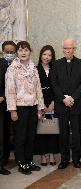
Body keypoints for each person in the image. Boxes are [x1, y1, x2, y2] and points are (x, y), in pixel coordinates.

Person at [5, 41, 44, 175]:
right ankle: (21, 162)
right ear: (17, 53)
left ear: (30, 52)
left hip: (33, 106)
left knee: (31, 136)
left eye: (26, 50)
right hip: (19, 107)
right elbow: (10, 90)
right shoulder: (12, 68)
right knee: (20, 137)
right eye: (21, 50)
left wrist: (40, 108)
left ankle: (29, 160)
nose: (23, 53)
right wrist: (12, 110)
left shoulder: (34, 68)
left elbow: (38, 89)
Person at [51, 38, 81, 169]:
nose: (67, 50)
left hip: (76, 104)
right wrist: (63, 99)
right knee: (63, 134)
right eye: (65, 48)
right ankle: (64, 159)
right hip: (62, 104)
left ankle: (76, 159)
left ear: (74, 49)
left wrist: (73, 98)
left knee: (77, 134)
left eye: (70, 48)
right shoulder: (56, 64)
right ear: (62, 49)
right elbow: (54, 84)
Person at [33, 45, 59, 166]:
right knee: (42, 129)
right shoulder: (34, 69)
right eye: (44, 54)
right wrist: (41, 105)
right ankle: (43, 155)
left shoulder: (56, 68)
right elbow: (33, 88)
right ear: (40, 55)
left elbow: (59, 87)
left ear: (52, 57)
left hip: (53, 103)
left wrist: (53, 103)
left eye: (49, 55)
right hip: (40, 103)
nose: (47, 57)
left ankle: (52, 154)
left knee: (52, 129)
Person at [0, 40, 16, 175]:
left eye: (12, 52)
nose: (9, 54)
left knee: (10, 132)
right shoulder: (1, 63)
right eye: (7, 52)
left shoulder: (18, 64)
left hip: (17, 106)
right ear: (3, 51)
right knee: (1, 134)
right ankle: (1, 162)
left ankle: (7, 157)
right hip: (2, 105)